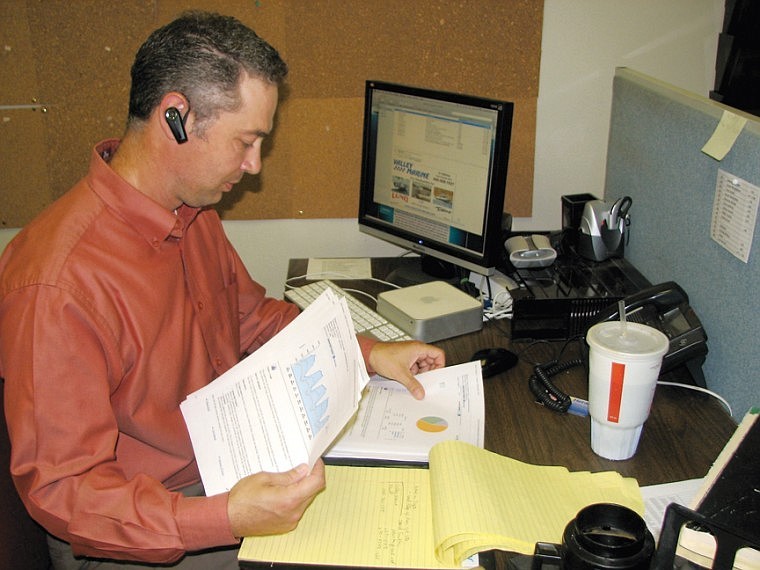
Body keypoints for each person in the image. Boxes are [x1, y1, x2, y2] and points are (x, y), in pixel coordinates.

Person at [0, 11, 445, 569]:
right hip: (137, 532)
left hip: (221, 469)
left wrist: (371, 353)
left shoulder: (192, 211)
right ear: (176, 117)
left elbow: (252, 320)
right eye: (246, 141)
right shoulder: (56, 285)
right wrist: (224, 518)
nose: (254, 167)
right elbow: (66, 493)